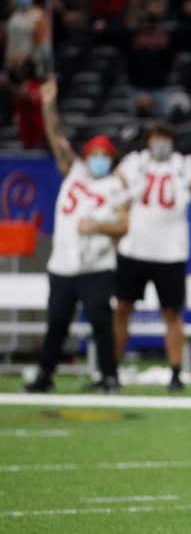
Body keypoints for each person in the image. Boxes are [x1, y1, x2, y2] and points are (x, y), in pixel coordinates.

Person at [23, 81, 129, 394]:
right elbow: (56, 138)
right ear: (87, 156)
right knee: (56, 324)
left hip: (96, 266)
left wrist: (97, 227)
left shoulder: (115, 187)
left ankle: (109, 376)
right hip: (63, 264)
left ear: (111, 159)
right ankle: (45, 376)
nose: (99, 159)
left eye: (104, 155)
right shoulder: (76, 173)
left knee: (101, 324)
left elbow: (124, 225)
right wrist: (48, 105)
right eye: (95, 154)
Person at [113, 122, 191, 392]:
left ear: (173, 141)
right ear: (148, 140)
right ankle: (111, 369)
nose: (160, 143)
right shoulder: (134, 163)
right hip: (134, 248)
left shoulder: (184, 166)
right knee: (121, 309)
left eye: (165, 137)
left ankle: (176, 372)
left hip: (170, 251)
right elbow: (109, 189)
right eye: (156, 137)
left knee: (172, 313)